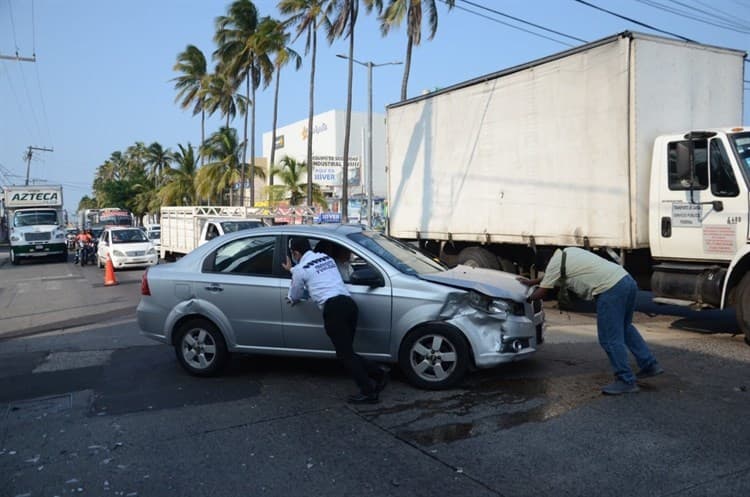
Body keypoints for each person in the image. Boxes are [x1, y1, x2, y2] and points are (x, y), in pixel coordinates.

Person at [519, 247, 664, 395]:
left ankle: (625, 380)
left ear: (546, 262)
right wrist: (533, 282)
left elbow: (542, 292)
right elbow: (549, 276)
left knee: (609, 338)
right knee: (625, 328)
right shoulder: (568, 252)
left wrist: (524, 299)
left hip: (610, 290)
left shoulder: (554, 265)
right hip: (626, 281)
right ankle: (649, 365)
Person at [282, 237, 388, 404]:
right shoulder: (326, 258)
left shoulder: (300, 269)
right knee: (347, 352)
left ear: (295, 253)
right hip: (349, 305)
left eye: (293, 254)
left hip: (333, 310)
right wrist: (294, 270)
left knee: (345, 355)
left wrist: (292, 274)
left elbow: (295, 294)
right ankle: (378, 373)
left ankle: (369, 391)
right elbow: (317, 275)